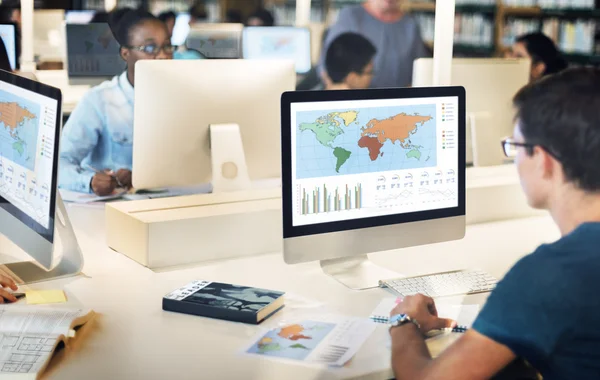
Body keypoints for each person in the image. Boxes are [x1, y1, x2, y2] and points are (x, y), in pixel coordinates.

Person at [387, 67, 600, 379]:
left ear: (543, 160)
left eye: (515, 146)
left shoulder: (550, 274)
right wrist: (450, 325)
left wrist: (404, 323)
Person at [59, 8, 173, 196]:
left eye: (167, 47)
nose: (162, 56)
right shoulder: (99, 101)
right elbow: (59, 163)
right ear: (125, 53)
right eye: (150, 48)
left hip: (174, 201)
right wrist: (89, 181)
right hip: (116, 207)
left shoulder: (184, 98)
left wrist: (140, 176)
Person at [320, 0, 427, 88]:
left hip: (396, 103)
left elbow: (421, 72)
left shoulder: (411, 25)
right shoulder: (350, 16)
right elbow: (328, 67)